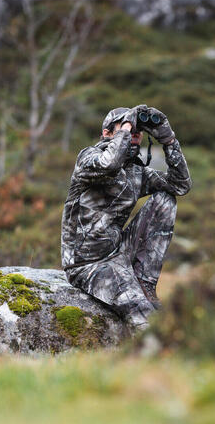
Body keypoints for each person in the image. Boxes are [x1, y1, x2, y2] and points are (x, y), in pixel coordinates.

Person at [61, 105, 192, 332]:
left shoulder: (136, 173)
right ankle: (157, 358)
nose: (134, 136)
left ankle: (144, 281)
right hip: (86, 264)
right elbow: (109, 163)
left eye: (138, 133)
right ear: (107, 133)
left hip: (119, 252)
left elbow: (180, 185)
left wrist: (169, 141)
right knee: (143, 313)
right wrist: (127, 124)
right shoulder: (88, 158)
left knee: (165, 198)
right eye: (127, 130)